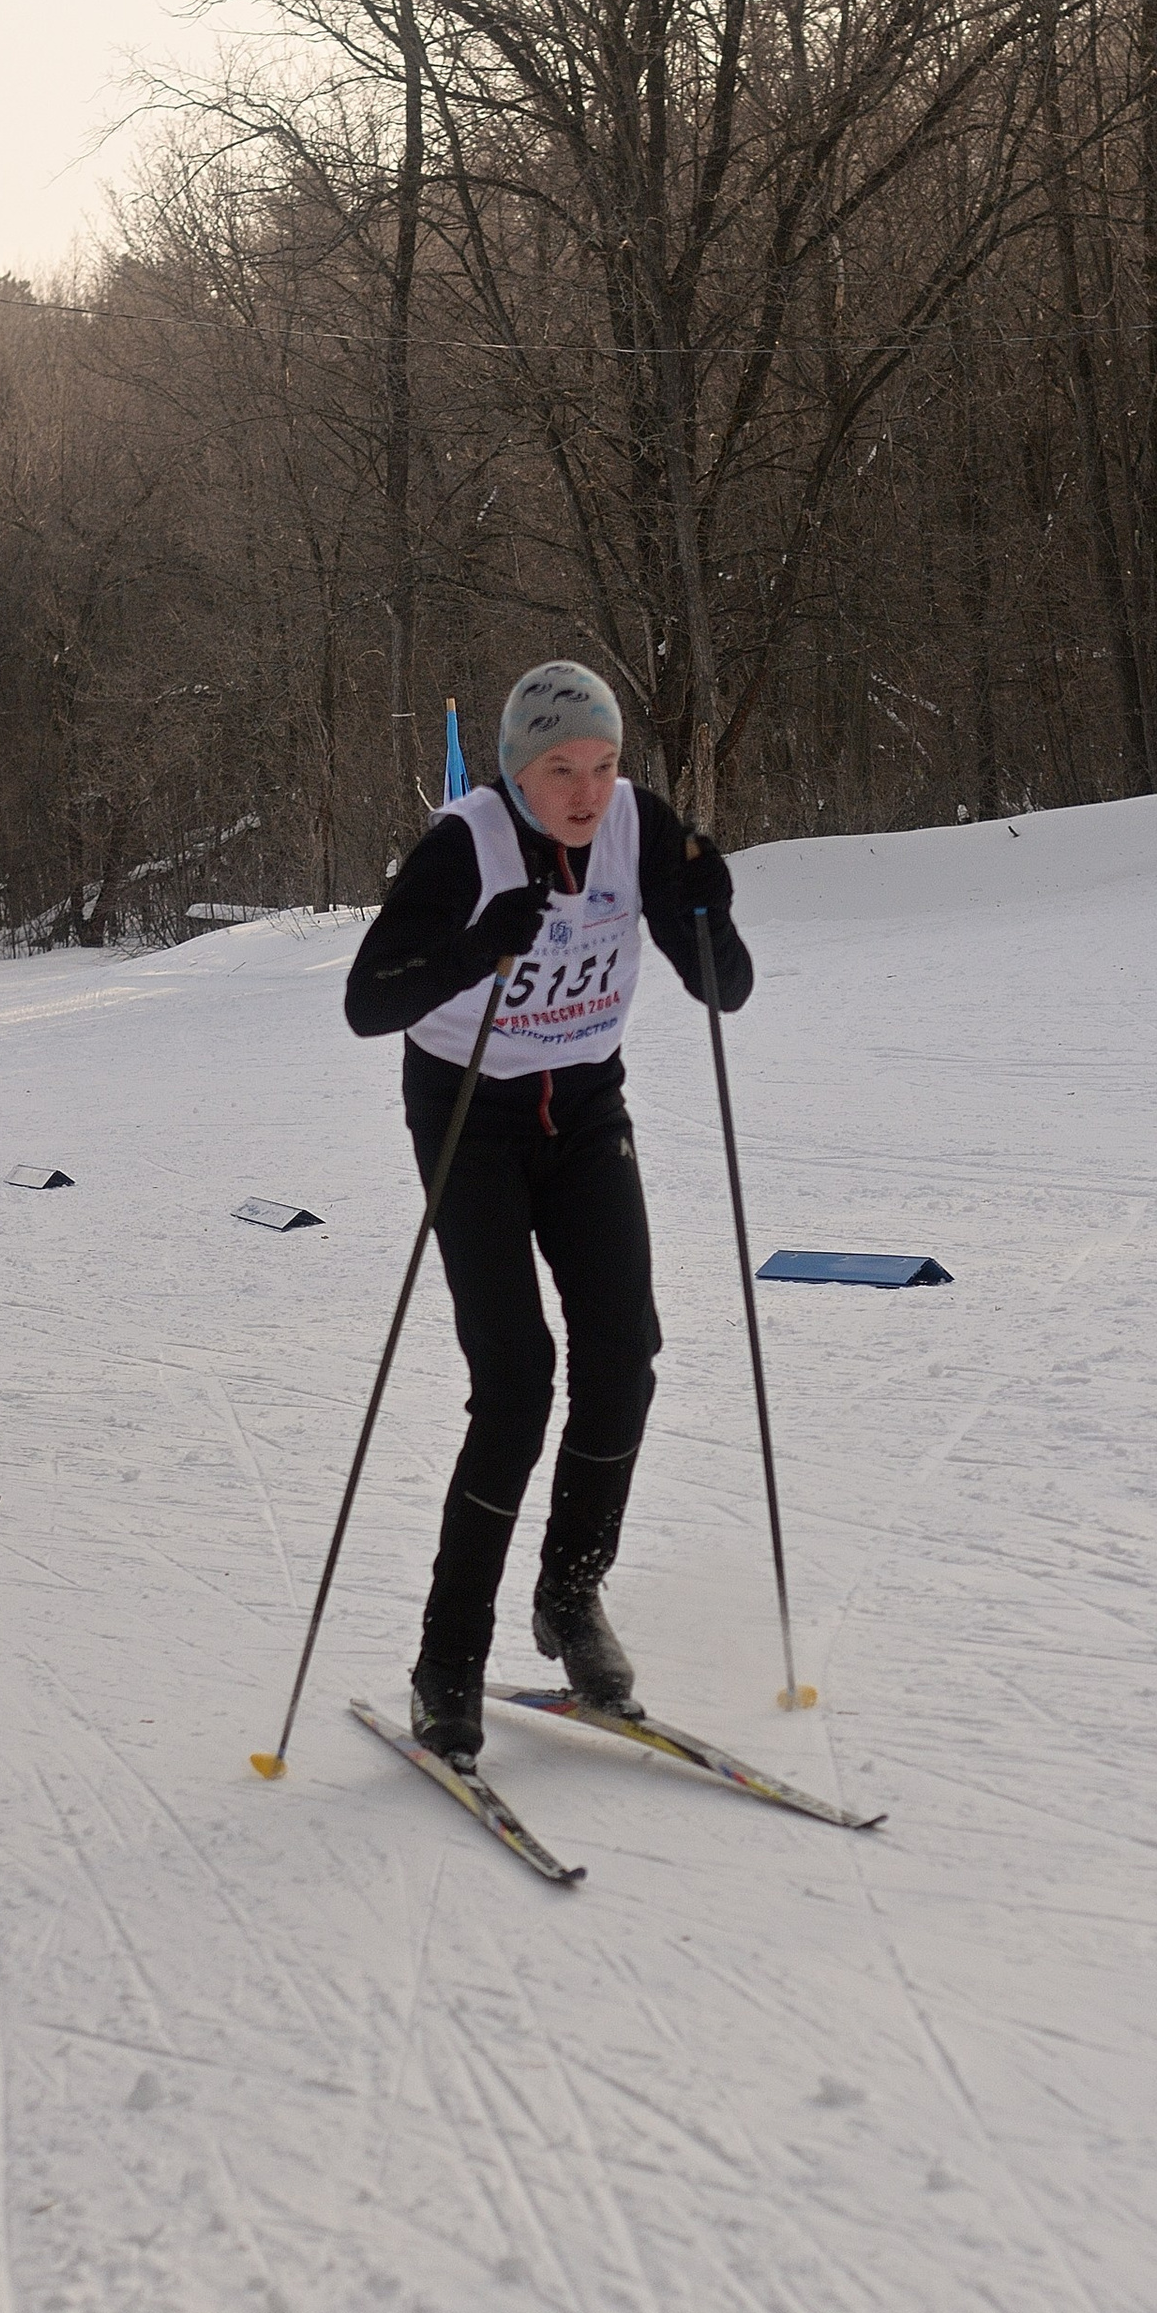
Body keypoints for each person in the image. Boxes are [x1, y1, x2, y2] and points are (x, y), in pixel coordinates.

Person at [344, 660, 752, 1764]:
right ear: (519, 770)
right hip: (466, 1112)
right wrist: (478, 943)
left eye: (605, 766)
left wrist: (710, 909)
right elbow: (367, 1003)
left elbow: (724, 989)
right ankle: (447, 1659)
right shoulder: (462, 845)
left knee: (625, 1352)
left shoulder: (636, 826)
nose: (586, 790)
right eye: (560, 769)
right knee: (516, 1381)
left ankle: (570, 1597)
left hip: (582, 1103)